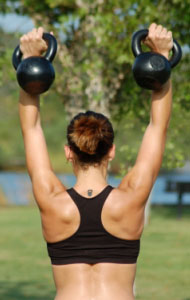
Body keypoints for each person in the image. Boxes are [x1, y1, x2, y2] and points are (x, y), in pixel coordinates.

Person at [19, 23, 173, 300]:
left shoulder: (51, 199)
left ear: (69, 152)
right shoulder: (131, 197)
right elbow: (157, 126)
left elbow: (31, 129)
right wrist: (160, 59)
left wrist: (30, 63)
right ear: (111, 151)